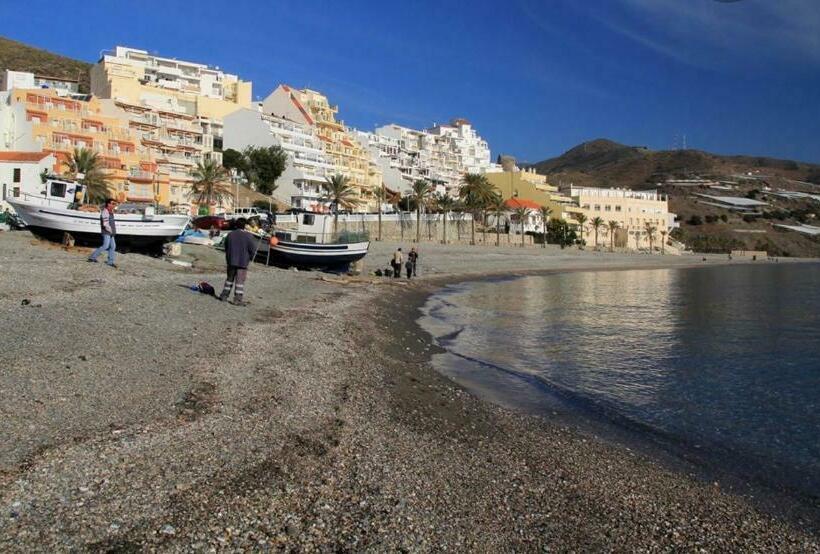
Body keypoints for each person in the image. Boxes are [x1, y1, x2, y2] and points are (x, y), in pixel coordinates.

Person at [219, 218, 259, 306]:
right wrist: (250, 258)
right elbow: (253, 249)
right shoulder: (248, 236)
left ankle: (224, 296)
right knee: (240, 281)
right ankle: (237, 299)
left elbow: (226, 247)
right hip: (243, 261)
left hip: (231, 260)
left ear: (236, 225)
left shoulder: (230, 235)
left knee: (229, 279)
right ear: (245, 226)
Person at [87, 198, 118, 267]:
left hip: (111, 233)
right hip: (107, 232)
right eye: (113, 203)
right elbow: (105, 224)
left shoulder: (110, 211)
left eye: (115, 204)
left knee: (113, 246)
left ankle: (110, 262)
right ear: (108, 204)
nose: (114, 205)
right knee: (105, 246)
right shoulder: (105, 212)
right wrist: (111, 231)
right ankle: (92, 257)